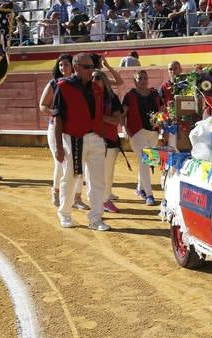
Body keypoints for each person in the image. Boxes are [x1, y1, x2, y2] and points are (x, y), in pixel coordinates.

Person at [52, 53, 112, 230]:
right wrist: (58, 146)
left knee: (98, 180)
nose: (91, 70)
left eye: (93, 67)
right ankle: (64, 213)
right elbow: (57, 118)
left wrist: (103, 139)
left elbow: (99, 116)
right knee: (71, 177)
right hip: (73, 138)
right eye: (87, 67)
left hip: (96, 137)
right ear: (76, 67)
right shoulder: (63, 86)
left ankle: (96, 218)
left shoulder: (97, 88)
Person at [39, 54, 87, 209]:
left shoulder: (80, 83)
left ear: (73, 66)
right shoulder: (55, 83)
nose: (63, 67)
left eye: (66, 64)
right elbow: (43, 105)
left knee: (79, 162)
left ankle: (77, 197)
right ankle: (57, 192)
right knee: (61, 162)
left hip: (75, 128)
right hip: (57, 128)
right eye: (60, 65)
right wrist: (57, 114)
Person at [122, 70, 162, 205]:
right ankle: (149, 194)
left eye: (145, 78)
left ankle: (140, 188)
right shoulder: (130, 95)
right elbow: (122, 114)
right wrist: (125, 129)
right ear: (135, 81)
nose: (143, 81)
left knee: (148, 162)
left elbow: (162, 111)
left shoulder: (155, 94)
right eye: (140, 78)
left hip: (154, 132)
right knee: (145, 162)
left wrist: (163, 128)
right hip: (137, 132)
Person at [93, 59, 124, 214]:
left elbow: (116, 120)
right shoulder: (88, 97)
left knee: (107, 172)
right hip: (92, 139)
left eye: (98, 78)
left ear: (104, 81)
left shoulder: (112, 98)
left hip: (109, 140)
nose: (95, 81)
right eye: (92, 78)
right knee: (94, 174)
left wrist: (99, 117)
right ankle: (98, 201)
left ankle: (105, 200)